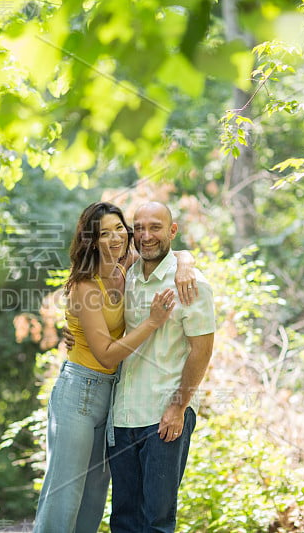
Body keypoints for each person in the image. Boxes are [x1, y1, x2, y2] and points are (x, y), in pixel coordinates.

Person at [33, 202, 197, 533]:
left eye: (119, 229)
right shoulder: (85, 285)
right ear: (91, 241)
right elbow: (107, 355)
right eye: (104, 233)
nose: (114, 238)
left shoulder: (126, 269)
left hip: (111, 396)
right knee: (65, 493)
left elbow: (169, 254)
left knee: (94, 495)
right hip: (78, 393)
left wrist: (186, 264)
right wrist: (152, 321)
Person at [108, 202, 215, 533]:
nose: (145, 235)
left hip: (165, 415)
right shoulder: (127, 277)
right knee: (124, 519)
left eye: (155, 227)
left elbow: (202, 350)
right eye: (138, 227)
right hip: (124, 414)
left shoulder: (191, 284)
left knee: (157, 520)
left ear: (173, 230)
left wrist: (178, 405)